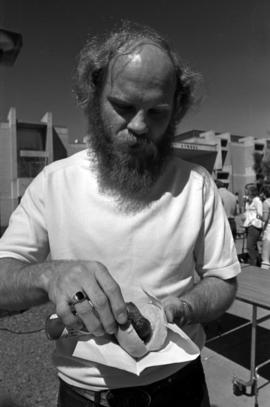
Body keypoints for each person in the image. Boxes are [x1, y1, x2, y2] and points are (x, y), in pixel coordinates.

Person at [0, 21, 240, 407]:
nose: (140, 126)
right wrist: (49, 274)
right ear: (93, 96)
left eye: (157, 112)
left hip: (181, 388)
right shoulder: (53, 183)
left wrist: (184, 308)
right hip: (85, 395)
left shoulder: (196, 185)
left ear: (177, 108)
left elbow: (223, 280)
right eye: (124, 107)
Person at [242, 184, 263, 266]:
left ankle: (253, 264)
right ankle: (257, 262)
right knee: (253, 246)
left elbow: (260, 213)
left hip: (254, 225)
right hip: (249, 225)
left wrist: (253, 219)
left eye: (246, 190)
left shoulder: (257, 200)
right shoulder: (249, 200)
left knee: (250, 246)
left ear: (251, 191)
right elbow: (247, 212)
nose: (245, 191)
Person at [260, 184, 270, 269]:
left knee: (265, 258)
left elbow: (265, 219)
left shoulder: (266, 202)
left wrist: (260, 216)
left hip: (269, 230)